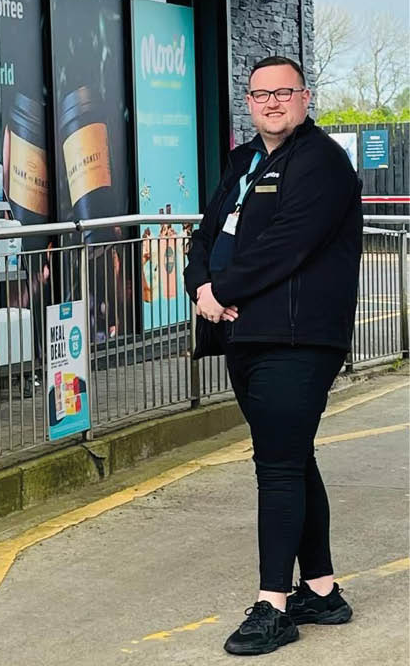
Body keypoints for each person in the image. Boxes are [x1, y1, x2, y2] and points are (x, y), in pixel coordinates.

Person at [184, 55, 361, 657]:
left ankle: (273, 607)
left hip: (297, 338)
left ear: (305, 98)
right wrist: (200, 287)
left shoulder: (322, 162)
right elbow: (206, 234)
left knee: (278, 467)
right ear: (250, 103)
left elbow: (288, 244)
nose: (272, 103)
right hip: (247, 335)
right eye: (261, 95)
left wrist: (223, 290)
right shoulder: (242, 161)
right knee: (293, 457)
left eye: (284, 92)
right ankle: (322, 592)